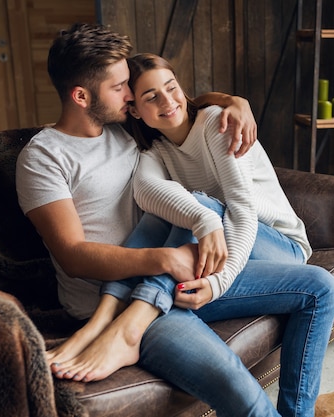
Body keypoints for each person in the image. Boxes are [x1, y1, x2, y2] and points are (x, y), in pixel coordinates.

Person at [47, 52, 334, 417]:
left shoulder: (217, 124)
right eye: (151, 97)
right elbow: (145, 192)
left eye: (172, 88)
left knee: (201, 205)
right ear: (135, 109)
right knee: (175, 209)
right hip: (220, 253)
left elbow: (242, 211)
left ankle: (130, 316)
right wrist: (204, 223)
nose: (168, 101)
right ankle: (112, 315)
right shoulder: (153, 153)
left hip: (275, 245)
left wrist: (218, 273)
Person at [17, 23, 283, 417]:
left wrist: (233, 100)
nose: (129, 94)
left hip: (164, 287)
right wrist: (163, 259)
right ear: (80, 96)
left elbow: (176, 101)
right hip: (114, 299)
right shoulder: (44, 157)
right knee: (235, 386)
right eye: (120, 86)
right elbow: (73, 255)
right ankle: (105, 331)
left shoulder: (127, 131)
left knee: (312, 287)